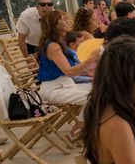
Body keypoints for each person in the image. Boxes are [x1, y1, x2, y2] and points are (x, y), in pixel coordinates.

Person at [37, 10, 100, 139]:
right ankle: (75, 135)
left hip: (66, 84)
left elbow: (73, 70)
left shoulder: (60, 43)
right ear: (55, 24)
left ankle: (92, 130)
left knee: (102, 90)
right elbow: (69, 71)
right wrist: (90, 59)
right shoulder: (53, 46)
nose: (67, 20)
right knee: (94, 99)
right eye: (63, 19)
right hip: (53, 89)